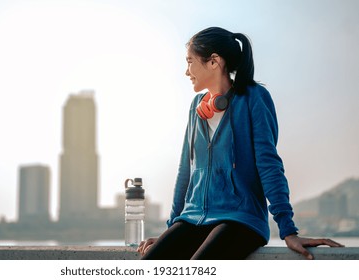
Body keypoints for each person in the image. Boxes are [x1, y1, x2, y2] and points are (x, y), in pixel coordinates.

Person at [138, 27, 343, 260]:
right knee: (148, 265)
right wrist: (171, 230)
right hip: (193, 217)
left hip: (240, 219)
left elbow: (268, 164)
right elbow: (185, 170)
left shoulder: (254, 98)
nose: (187, 72)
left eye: (190, 62)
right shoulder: (196, 107)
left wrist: (288, 230)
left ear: (214, 61)